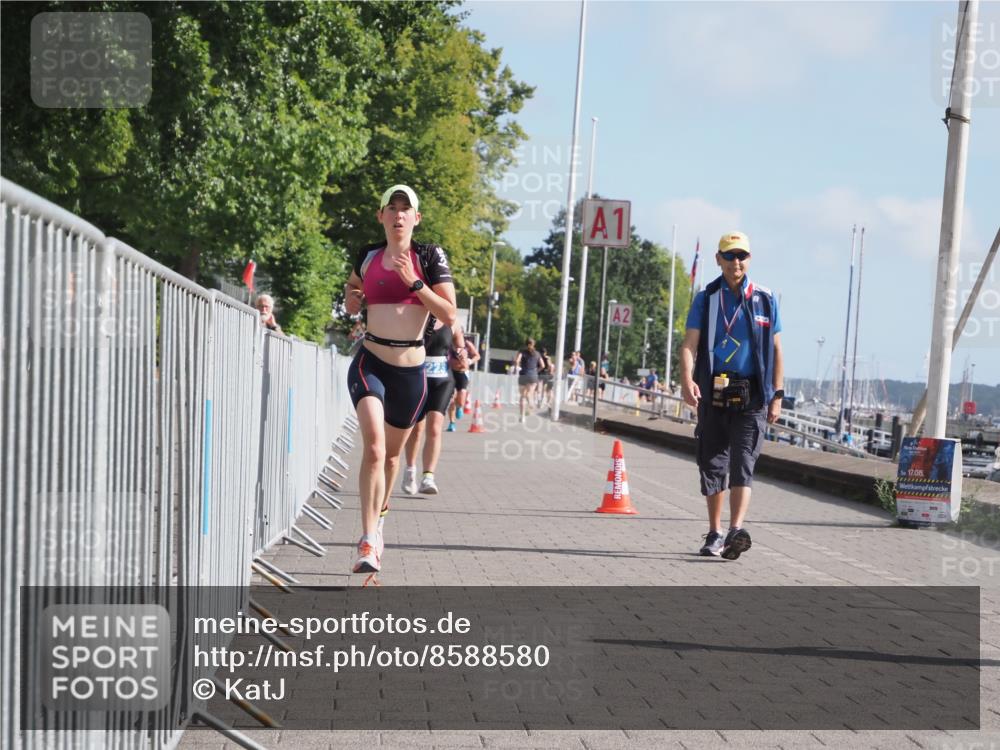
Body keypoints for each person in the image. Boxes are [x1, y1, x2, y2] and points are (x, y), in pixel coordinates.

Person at [344, 184, 456, 575]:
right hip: (370, 361)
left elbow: (449, 313)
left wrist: (415, 282)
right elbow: (353, 286)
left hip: (411, 371)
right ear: (381, 216)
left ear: (416, 218)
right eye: (390, 208)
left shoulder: (428, 256)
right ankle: (368, 537)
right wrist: (352, 299)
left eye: (405, 209)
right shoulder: (370, 254)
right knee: (374, 449)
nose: (398, 215)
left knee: (392, 457)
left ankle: (382, 515)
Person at [679, 231, 783, 561]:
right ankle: (715, 531)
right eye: (729, 255)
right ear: (718, 259)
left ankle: (736, 530)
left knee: (743, 463)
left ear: (749, 259)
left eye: (741, 256)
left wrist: (777, 395)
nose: (736, 262)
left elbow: (777, 350)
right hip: (715, 392)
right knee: (712, 463)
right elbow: (689, 345)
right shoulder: (707, 298)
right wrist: (686, 380)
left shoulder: (765, 298)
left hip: (752, 395)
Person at [401, 317, 457, 495]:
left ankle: (428, 477)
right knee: (416, 429)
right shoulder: (416, 315)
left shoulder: (452, 320)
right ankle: (410, 470)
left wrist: (462, 354)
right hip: (418, 378)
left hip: (442, 380)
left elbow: (460, 351)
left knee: (434, 428)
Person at [446, 327, 480, 431]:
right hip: (451, 373)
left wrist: (469, 361)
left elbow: (477, 356)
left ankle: (459, 407)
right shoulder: (448, 343)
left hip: (462, 374)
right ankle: (452, 423)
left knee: (460, 401)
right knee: (451, 400)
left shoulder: (467, 344)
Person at [513, 337, 543, 422]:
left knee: (522, 396)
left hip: (523, 375)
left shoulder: (521, 351)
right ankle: (531, 405)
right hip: (533, 376)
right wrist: (536, 371)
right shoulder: (537, 354)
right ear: (534, 344)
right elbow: (543, 365)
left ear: (525, 344)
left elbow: (517, 361)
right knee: (529, 394)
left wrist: (516, 368)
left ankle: (522, 417)